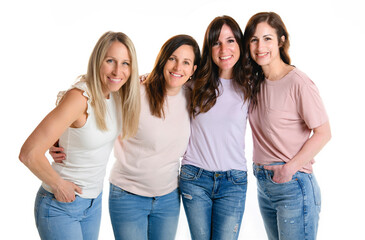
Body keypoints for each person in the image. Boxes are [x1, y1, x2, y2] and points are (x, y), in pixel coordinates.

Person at [51, 34, 200, 240]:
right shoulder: (135, 91)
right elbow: (90, 99)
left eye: (186, 62)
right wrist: (56, 139)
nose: (177, 68)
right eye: (172, 58)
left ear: (193, 70)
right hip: (128, 195)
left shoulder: (193, 96)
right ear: (162, 59)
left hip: (169, 198)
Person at [18, 31, 141, 240]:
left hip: (93, 203)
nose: (118, 70)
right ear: (97, 61)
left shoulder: (117, 92)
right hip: (61, 206)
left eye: (126, 63)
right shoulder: (80, 99)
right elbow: (29, 153)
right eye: (110, 60)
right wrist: (58, 184)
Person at [242, 12, 331, 240]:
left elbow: (323, 132)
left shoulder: (298, 82)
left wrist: (288, 169)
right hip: (264, 185)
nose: (260, 46)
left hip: (293, 186)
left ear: (281, 40)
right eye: (254, 39)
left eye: (267, 38)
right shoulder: (255, 82)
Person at [179, 15, 251, 240]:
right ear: (209, 48)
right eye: (216, 42)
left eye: (230, 41)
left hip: (234, 181)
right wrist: (147, 78)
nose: (224, 48)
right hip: (195, 177)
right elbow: (161, 91)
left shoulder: (251, 85)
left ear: (239, 44)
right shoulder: (193, 84)